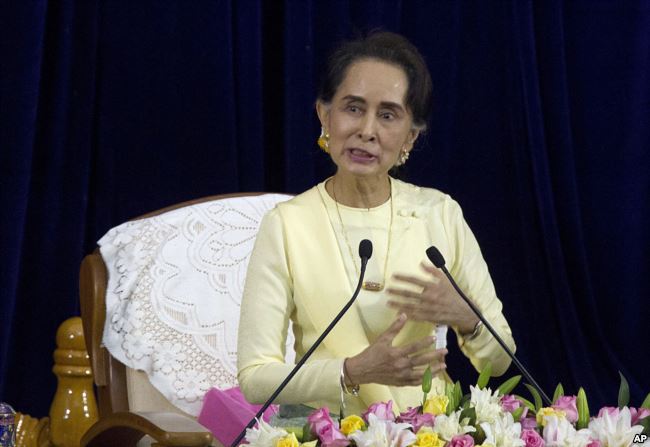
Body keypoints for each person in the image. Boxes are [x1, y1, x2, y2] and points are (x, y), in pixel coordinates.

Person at [237, 31, 515, 416]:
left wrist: (466, 317)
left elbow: (498, 362)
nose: (367, 130)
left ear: (410, 137)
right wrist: (352, 371)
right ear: (324, 115)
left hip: (433, 431)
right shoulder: (287, 226)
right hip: (328, 432)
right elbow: (254, 378)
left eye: (387, 115)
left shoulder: (440, 214)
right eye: (353, 108)